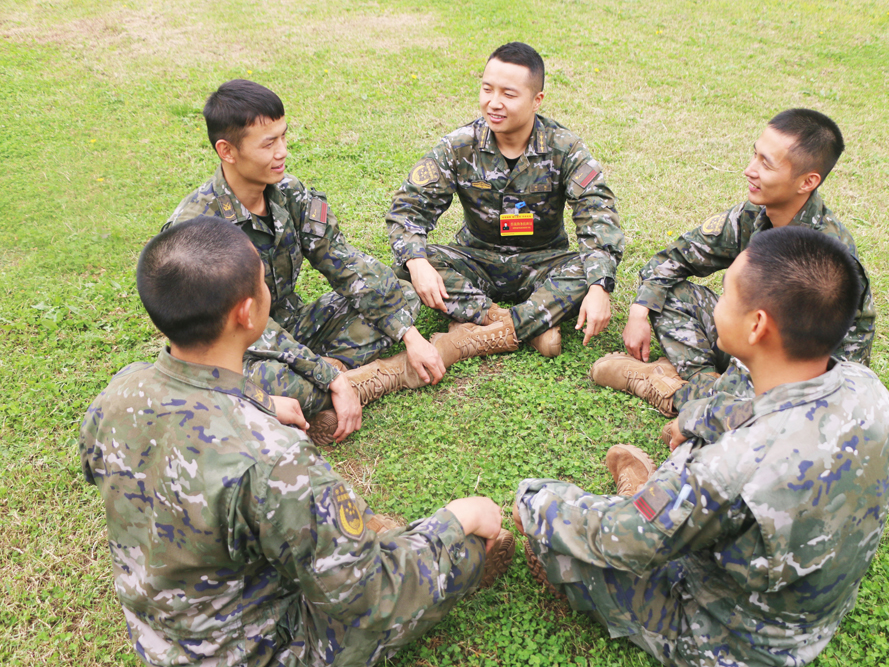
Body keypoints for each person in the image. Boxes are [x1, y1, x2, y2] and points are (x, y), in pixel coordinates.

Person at [79, 216, 515, 667]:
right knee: (456, 550)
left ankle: (349, 534)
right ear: (247, 313)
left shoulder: (118, 394)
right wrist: (455, 519)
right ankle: (459, 548)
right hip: (262, 652)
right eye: (263, 282)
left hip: (160, 637)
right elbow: (371, 597)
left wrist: (258, 400)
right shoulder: (274, 460)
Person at [513, 226, 889, 666]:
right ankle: (658, 500)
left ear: (757, 325)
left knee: (558, 540)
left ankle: (642, 497)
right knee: (673, 503)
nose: (716, 306)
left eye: (724, 296)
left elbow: (628, 540)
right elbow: (760, 409)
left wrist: (535, 499)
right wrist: (696, 417)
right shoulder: (869, 391)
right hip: (810, 612)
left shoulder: (729, 469)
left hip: (729, 641)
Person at [166, 79, 453, 446]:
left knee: (399, 296)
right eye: (268, 144)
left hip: (291, 323)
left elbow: (345, 263)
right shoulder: (197, 228)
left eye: (283, 137)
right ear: (228, 151)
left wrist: (409, 336)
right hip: (235, 347)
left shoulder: (289, 193)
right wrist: (326, 375)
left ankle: (324, 383)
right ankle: (330, 382)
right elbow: (236, 327)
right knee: (278, 384)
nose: (282, 151)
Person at [591, 109, 875, 443]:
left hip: (805, 382)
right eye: (755, 154)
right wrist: (639, 311)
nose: (749, 170)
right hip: (754, 343)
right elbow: (676, 257)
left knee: (767, 430)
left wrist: (702, 420)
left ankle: (672, 390)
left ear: (808, 181)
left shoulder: (819, 257)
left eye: (766, 163)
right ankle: (703, 391)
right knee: (672, 297)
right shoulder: (754, 213)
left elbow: (793, 362)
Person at [386, 42, 624, 360]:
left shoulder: (565, 148)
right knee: (413, 262)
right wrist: (417, 263)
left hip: (543, 263)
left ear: (536, 100)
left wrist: (599, 287)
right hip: (475, 260)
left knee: (590, 270)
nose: (493, 103)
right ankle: (520, 322)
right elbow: (409, 207)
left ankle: (481, 332)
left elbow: (597, 212)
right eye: (487, 89)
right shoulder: (459, 146)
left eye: (508, 94)